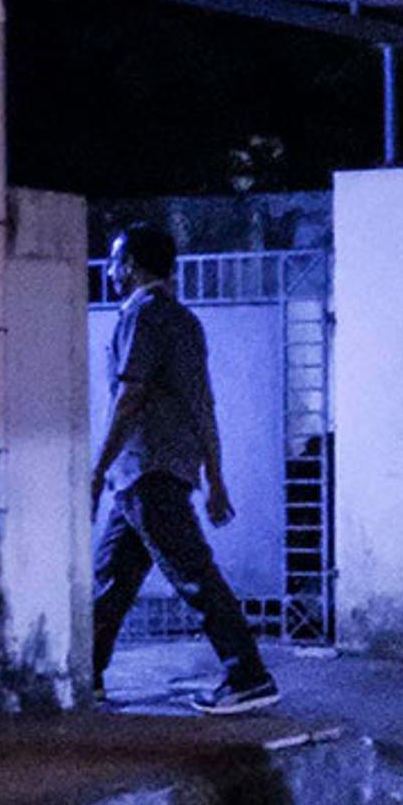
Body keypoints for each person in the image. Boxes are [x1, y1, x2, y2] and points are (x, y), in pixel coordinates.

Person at [87, 224, 280, 715]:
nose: (110, 272)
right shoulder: (185, 322)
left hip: (144, 471)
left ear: (130, 265)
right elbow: (203, 405)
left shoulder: (142, 316)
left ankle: (248, 676)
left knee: (194, 577)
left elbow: (129, 396)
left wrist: (97, 468)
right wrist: (214, 477)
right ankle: (86, 677)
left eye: (114, 262)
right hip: (160, 472)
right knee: (112, 579)